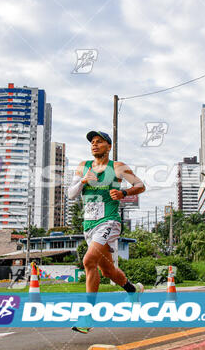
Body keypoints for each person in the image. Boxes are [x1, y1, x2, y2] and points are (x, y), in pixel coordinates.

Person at [67, 130, 146, 334]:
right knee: (107, 271)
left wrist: (123, 192)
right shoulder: (83, 167)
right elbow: (70, 194)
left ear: (108, 147)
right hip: (89, 225)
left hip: (109, 221)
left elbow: (140, 185)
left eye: (99, 142)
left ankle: (88, 316)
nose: (94, 145)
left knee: (88, 261)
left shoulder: (118, 167)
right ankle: (132, 290)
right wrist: (83, 180)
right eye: (92, 142)